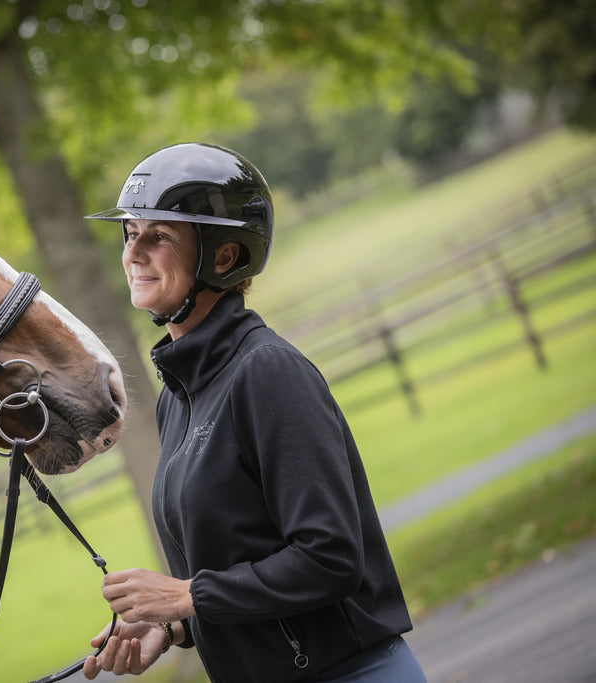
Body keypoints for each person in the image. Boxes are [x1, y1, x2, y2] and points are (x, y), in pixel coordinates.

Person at [81, 143, 426, 682]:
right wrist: (174, 626)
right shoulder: (179, 396)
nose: (133, 253)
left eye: (159, 236)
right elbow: (236, 557)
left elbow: (330, 558)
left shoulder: (267, 372)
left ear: (224, 257)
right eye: (130, 233)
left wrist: (187, 596)